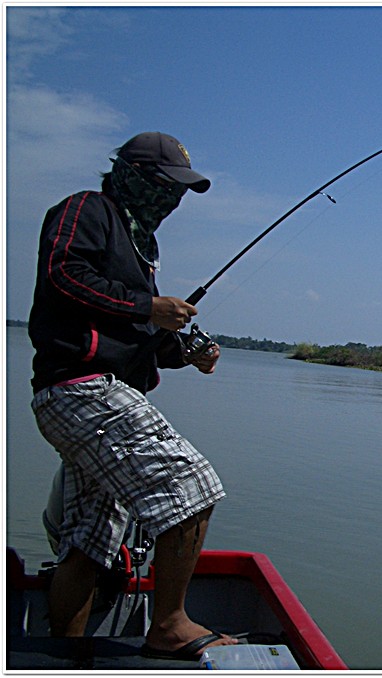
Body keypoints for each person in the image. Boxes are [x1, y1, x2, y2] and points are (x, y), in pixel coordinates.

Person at [28, 131, 239, 660]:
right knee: (191, 485)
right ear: (135, 174)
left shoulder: (144, 245)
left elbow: (134, 338)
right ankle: (168, 624)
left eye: (182, 190)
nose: (175, 198)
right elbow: (63, 274)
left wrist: (183, 351)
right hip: (79, 389)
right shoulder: (86, 209)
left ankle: (61, 654)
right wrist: (148, 307)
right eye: (168, 185)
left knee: (92, 541)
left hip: (98, 393)